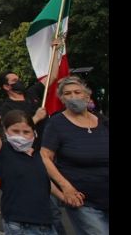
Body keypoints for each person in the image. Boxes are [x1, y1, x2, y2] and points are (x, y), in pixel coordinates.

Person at [0, 78, 60, 234]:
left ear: (33, 134)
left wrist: (65, 194)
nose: (21, 136)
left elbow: (46, 183)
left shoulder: (38, 155)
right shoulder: (4, 152)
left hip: (46, 225)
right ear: (6, 132)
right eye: (15, 131)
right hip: (19, 225)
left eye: (26, 132)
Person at [40, 76, 109, 235]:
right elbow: (45, 157)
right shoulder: (57, 123)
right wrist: (66, 188)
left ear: (87, 95)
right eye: (67, 93)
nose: (73, 97)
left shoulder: (102, 121)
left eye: (77, 92)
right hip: (82, 200)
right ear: (62, 99)